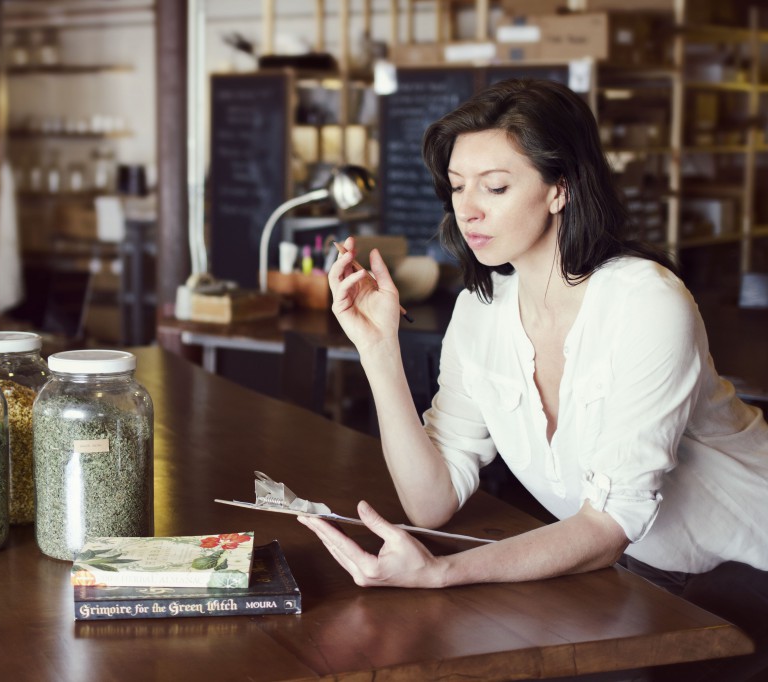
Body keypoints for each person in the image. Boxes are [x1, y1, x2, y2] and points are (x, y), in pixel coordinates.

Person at [297, 78, 768, 681]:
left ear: (559, 189)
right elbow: (431, 500)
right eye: (459, 187)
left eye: (495, 187)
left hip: (741, 572)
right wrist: (378, 348)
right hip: (632, 573)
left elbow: (610, 522)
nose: (468, 209)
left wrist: (441, 573)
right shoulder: (482, 308)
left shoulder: (644, 302)